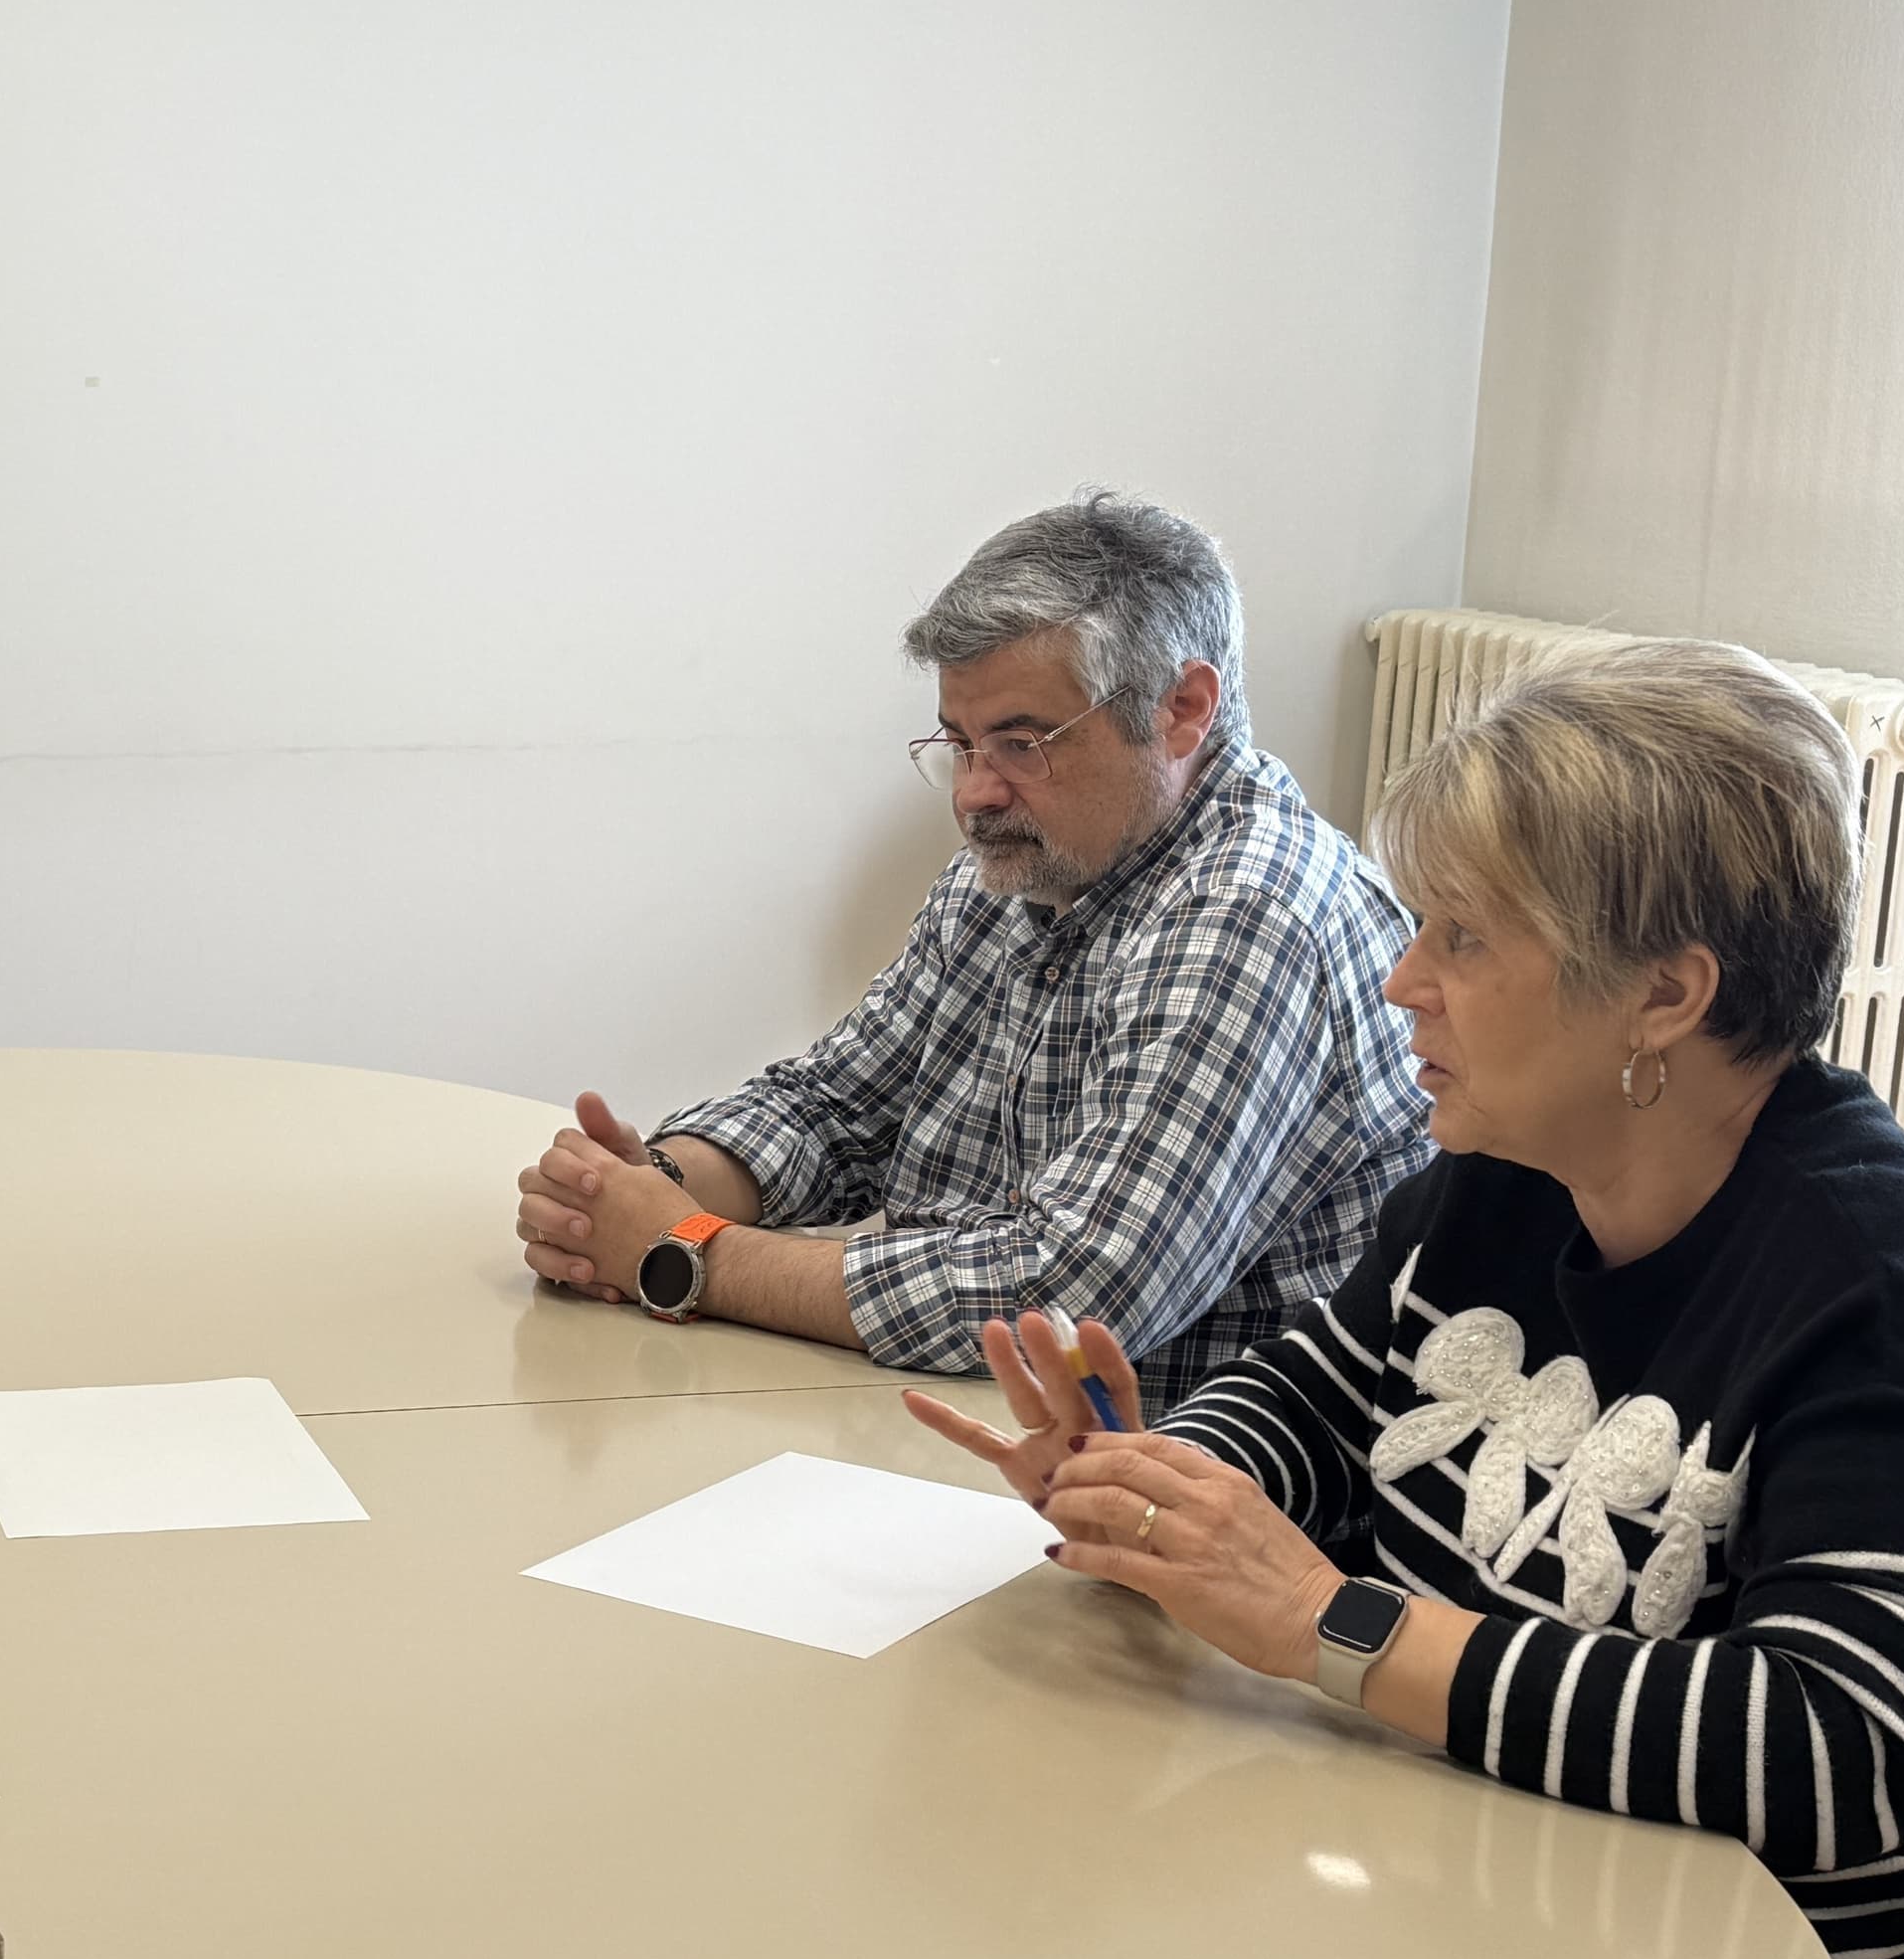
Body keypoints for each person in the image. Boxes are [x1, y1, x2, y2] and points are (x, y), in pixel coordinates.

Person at [912, 642, 1904, 1959]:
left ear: (1665, 994)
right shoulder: (1497, 1173)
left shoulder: (1888, 1278)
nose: (1402, 980)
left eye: (1463, 936)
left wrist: (1333, 1622)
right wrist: (1155, 1481)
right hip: (1516, 1899)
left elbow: (1838, 1746)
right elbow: (1319, 1407)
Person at [516, 490, 1428, 1413]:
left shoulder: (1255, 910)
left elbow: (1072, 1294)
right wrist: (638, 1189)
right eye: (960, 744)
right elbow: (837, 1107)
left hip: (1158, 1471)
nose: (974, 795)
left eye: (1022, 744)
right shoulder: (1026, 862)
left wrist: (685, 1253)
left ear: (1182, 709)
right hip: (966, 1424)